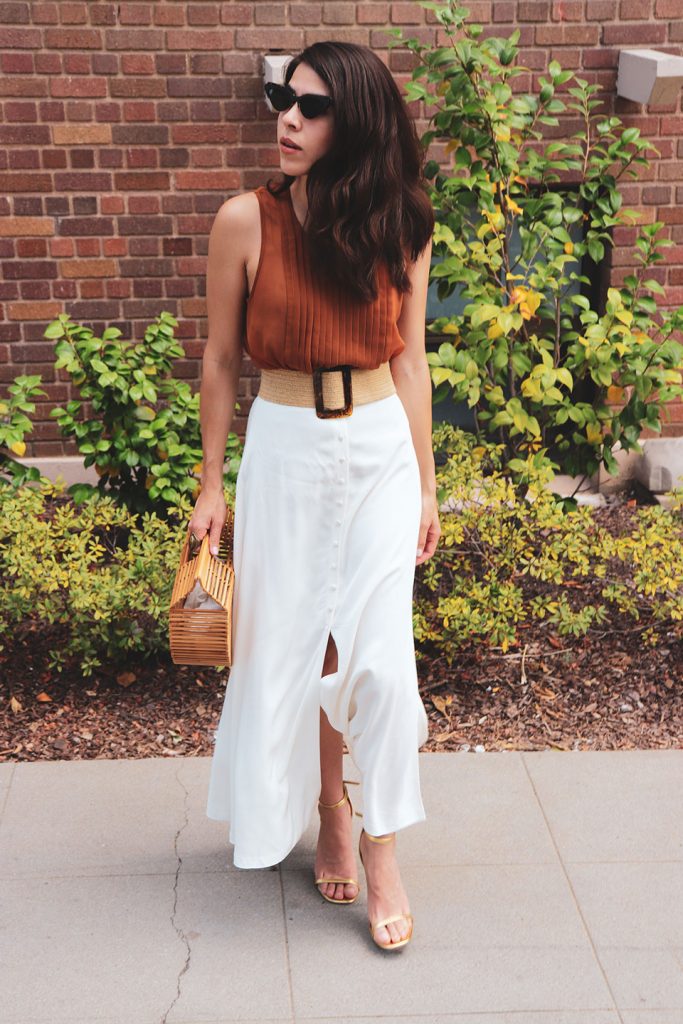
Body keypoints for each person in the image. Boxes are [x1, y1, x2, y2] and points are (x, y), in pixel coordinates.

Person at [189, 40, 440, 952]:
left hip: (377, 450)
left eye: (312, 105)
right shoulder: (244, 221)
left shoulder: (403, 224)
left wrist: (425, 486)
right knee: (302, 647)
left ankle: (383, 847)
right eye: (281, 99)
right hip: (286, 450)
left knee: (378, 658)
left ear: (358, 122)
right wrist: (211, 484)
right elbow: (219, 362)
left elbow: (409, 359)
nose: (287, 119)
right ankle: (330, 808)